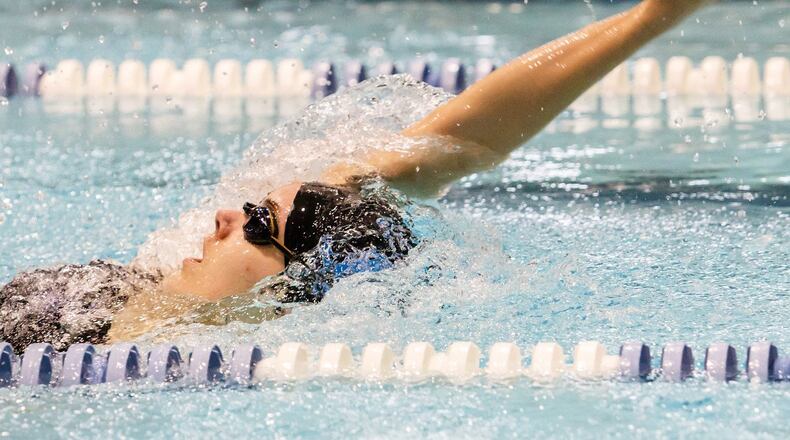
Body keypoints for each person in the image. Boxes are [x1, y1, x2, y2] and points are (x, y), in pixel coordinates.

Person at [0, 0, 711, 351]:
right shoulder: (140, 294)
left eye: (256, 224)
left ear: (291, 288)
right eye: (247, 208)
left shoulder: (148, 349)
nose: (222, 218)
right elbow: (456, 143)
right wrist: (653, 17)